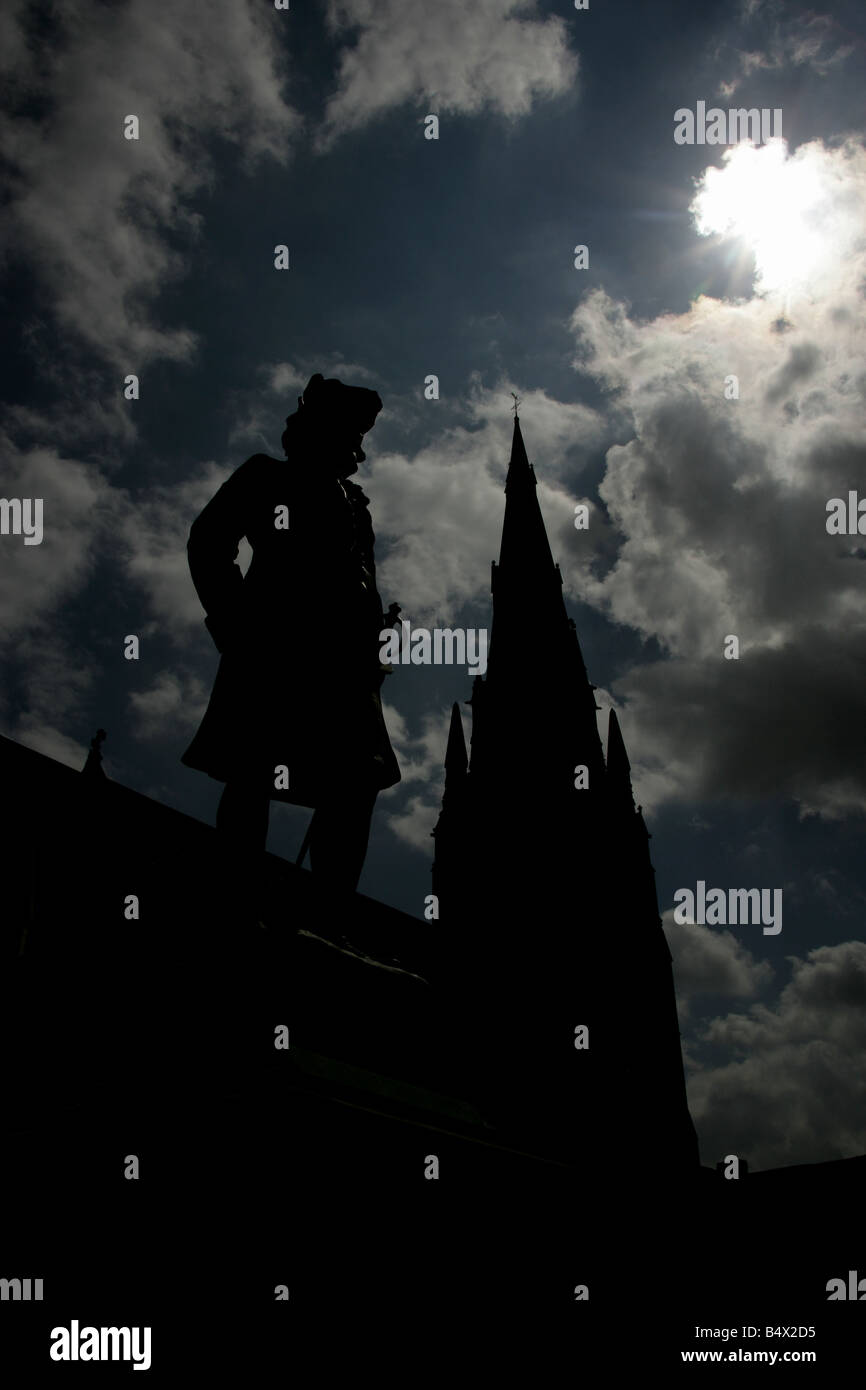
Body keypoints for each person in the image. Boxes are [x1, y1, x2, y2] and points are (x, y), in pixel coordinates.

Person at [181, 373, 401, 897]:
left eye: (361, 435)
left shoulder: (357, 504)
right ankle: (237, 898)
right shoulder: (265, 477)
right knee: (253, 768)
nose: (357, 447)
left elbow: (362, 579)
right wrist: (237, 629)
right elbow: (209, 544)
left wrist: (377, 639)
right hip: (276, 647)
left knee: (355, 781)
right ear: (316, 429)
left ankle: (333, 916)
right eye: (350, 432)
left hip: (346, 664)